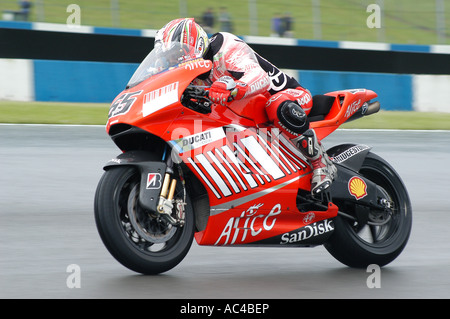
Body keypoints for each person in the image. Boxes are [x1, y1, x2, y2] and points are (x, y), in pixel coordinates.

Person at [154, 18, 336, 196]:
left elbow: (259, 77)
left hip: (290, 98)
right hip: (248, 117)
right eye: (168, 56)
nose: (172, 59)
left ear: (194, 45)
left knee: (276, 105)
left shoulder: (225, 48)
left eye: (175, 54)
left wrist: (234, 88)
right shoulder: (188, 71)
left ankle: (321, 162)